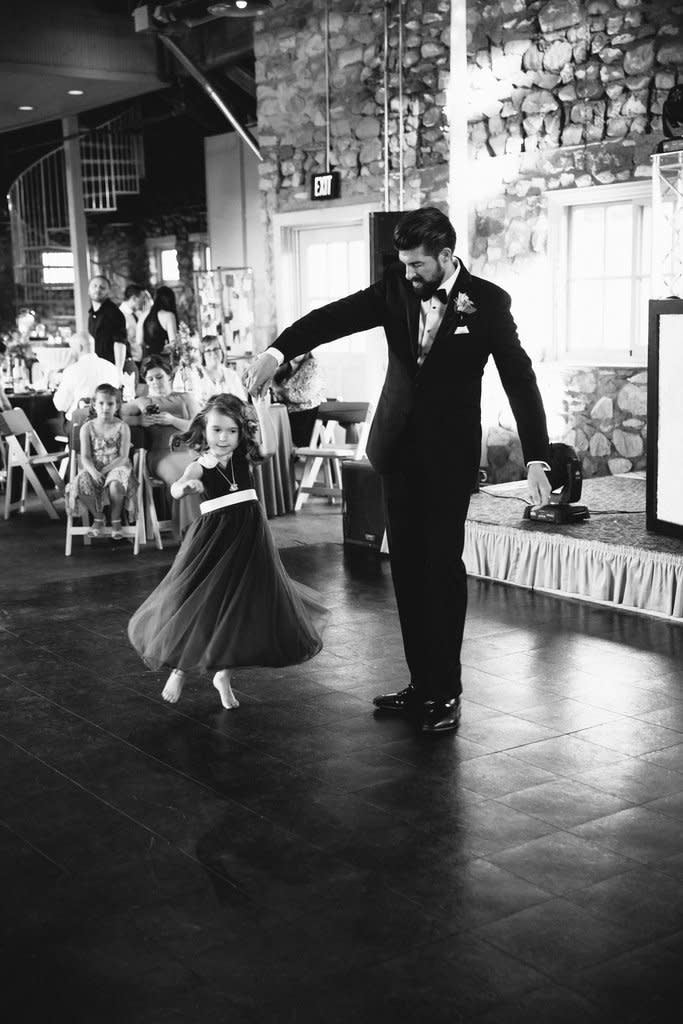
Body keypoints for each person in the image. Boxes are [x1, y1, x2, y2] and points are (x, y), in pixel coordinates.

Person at [246, 206, 552, 734]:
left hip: (448, 459)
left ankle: (447, 692)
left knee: (441, 571)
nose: (409, 274)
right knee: (407, 573)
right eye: (404, 264)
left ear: (446, 256)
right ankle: (420, 686)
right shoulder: (394, 288)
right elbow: (331, 318)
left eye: (417, 265)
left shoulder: (489, 304)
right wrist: (277, 351)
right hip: (396, 453)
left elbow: (519, 379)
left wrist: (537, 456)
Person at [127, 393, 328, 709]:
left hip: (250, 535)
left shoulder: (240, 458)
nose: (223, 438)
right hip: (216, 539)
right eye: (217, 430)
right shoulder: (201, 465)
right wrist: (185, 489)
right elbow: (179, 486)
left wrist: (261, 408)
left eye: (231, 431)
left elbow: (271, 449)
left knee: (244, 606)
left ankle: (223, 674)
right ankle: (180, 669)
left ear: (240, 432)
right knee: (205, 602)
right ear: (204, 429)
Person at [121, 355, 201, 533]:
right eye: (150, 379)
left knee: (208, 471)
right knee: (184, 478)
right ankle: (190, 531)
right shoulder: (143, 401)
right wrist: (139, 421)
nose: (155, 382)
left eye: (159, 377)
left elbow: (200, 427)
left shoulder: (185, 397)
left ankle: (211, 527)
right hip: (161, 454)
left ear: (169, 377)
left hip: (190, 450)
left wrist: (173, 420)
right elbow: (118, 414)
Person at [66, 383, 137, 540]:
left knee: (115, 484)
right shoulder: (87, 427)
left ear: (117, 405)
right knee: (80, 483)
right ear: (94, 404)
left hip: (118, 465)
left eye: (110, 404)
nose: (105, 408)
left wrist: (105, 471)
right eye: (101, 403)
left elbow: (123, 456)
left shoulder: (122, 427)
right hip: (94, 466)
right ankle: (98, 517)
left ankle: (116, 519)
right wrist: (93, 471)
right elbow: (85, 456)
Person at [52, 332, 120, 422]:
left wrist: (56, 386)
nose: (71, 352)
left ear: (80, 347)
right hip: (110, 423)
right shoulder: (111, 367)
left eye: (72, 348)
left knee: (50, 424)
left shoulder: (72, 370)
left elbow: (61, 405)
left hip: (81, 424)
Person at [270, 351, 327, 446]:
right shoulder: (283, 369)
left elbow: (302, 396)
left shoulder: (313, 366)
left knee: (272, 430)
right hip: (289, 417)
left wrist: (278, 389)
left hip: (308, 419)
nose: (296, 350)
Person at [87, 275, 128, 377]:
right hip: (99, 367)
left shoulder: (114, 313)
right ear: (89, 289)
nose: (98, 289)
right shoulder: (92, 314)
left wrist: (118, 372)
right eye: (95, 286)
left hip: (114, 368)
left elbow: (120, 343)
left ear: (108, 292)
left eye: (102, 287)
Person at [196, 335, 248, 404]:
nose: (213, 353)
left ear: (221, 350)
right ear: (203, 355)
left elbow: (243, 402)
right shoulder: (196, 375)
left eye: (215, 349)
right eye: (208, 350)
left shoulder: (232, 375)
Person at [138, 285, 178, 361]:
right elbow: (173, 344)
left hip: (147, 361)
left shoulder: (143, 315)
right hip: (163, 361)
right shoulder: (169, 316)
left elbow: (139, 341)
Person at [119, 284, 147, 364]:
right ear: (134, 298)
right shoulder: (120, 316)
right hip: (130, 361)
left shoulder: (138, 314)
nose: (144, 301)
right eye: (143, 298)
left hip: (141, 360)